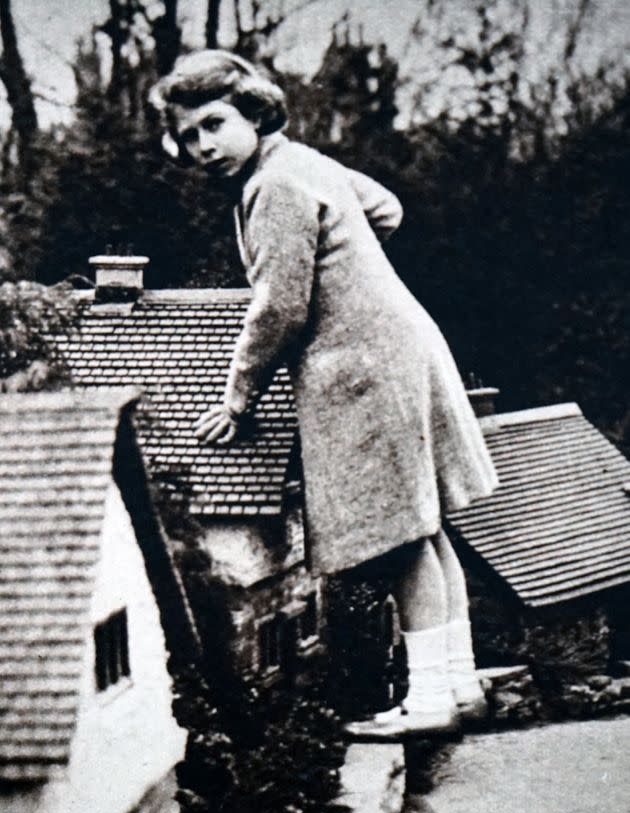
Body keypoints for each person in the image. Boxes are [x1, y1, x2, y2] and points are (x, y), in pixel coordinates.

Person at [149, 50, 498, 737]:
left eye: (215, 124)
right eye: (188, 136)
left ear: (254, 113)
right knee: (424, 531)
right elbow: (386, 208)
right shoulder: (304, 162)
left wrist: (237, 398)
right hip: (399, 345)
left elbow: (279, 308)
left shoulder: (272, 186)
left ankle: (430, 701)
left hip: (363, 366)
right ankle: (457, 683)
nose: (203, 147)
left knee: (401, 541)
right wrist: (350, 260)